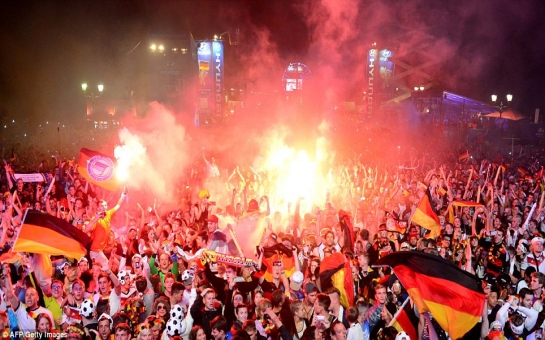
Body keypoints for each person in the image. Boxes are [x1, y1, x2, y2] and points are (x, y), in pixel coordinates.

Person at [85, 187, 128, 270]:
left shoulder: (108, 214)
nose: (104, 207)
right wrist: (95, 219)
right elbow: (86, 230)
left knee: (107, 269)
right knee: (101, 271)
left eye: (105, 205)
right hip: (94, 252)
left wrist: (123, 194)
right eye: (101, 206)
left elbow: (118, 205)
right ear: (98, 208)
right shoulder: (96, 218)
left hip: (100, 251)